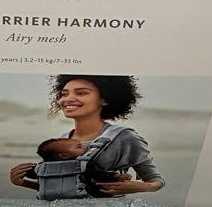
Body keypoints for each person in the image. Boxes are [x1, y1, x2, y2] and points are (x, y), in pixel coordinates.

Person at [10, 75, 164, 197]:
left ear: (104, 99)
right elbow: (61, 187)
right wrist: (21, 182)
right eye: (64, 94)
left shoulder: (124, 137)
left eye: (81, 93)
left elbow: (156, 182)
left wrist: (138, 187)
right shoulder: (62, 141)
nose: (67, 99)